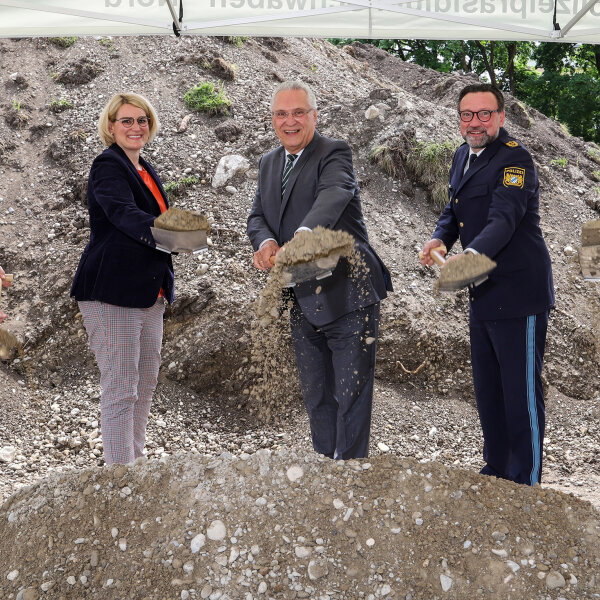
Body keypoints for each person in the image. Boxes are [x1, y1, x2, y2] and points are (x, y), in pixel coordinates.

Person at [247, 80, 392, 460]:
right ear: (272, 119)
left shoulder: (333, 152)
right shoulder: (268, 162)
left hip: (348, 293)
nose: (289, 121)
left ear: (314, 115)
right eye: (281, 114)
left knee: (350, 394)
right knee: (316, 394)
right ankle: (324, 471)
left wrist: (301, 237)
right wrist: (266, 244)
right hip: (302, 296)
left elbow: (334, 195)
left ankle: (350, 476)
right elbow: (258, 215)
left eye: (298, 112)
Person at [420, 83, 554, 486]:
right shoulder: (463, 155)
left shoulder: (516, 161)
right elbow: (454, 206)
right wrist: (441, 237)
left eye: (484, 114)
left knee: (521, 394)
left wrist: (472, 256)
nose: (474, 122)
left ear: (500, 117)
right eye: (467, 114)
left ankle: (525, 481)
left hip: (519, 293)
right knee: (490, 392)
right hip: (482, 293)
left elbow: (503, 219)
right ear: (459, 118)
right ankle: (496, 470)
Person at [70, 92, 174, 465]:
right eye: (126, 121)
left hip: (150, 294)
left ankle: (135, 469)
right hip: (111, 293)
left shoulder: (144, 169)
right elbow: (123, 213)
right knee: (120, 390)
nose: (136, 127)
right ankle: (120, 481)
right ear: (111, 126)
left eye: (142, 120)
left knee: (143, 387)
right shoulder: (107, 166)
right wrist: (173, 233)